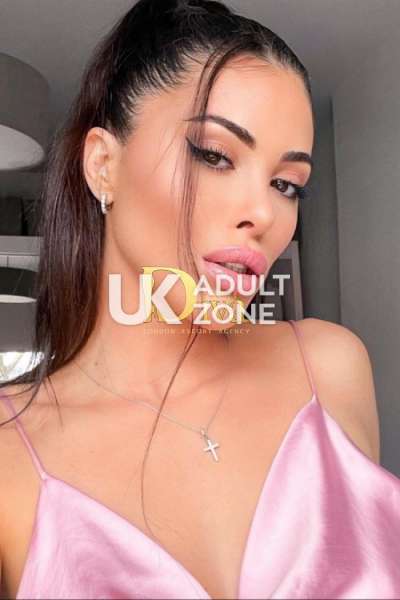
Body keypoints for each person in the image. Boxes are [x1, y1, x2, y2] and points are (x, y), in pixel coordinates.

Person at [0, 0, 399, 598]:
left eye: (286, 184)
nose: (263, 213)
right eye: (214, 155)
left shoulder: (330, 367)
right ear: (104, 165)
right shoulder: (9, 454)